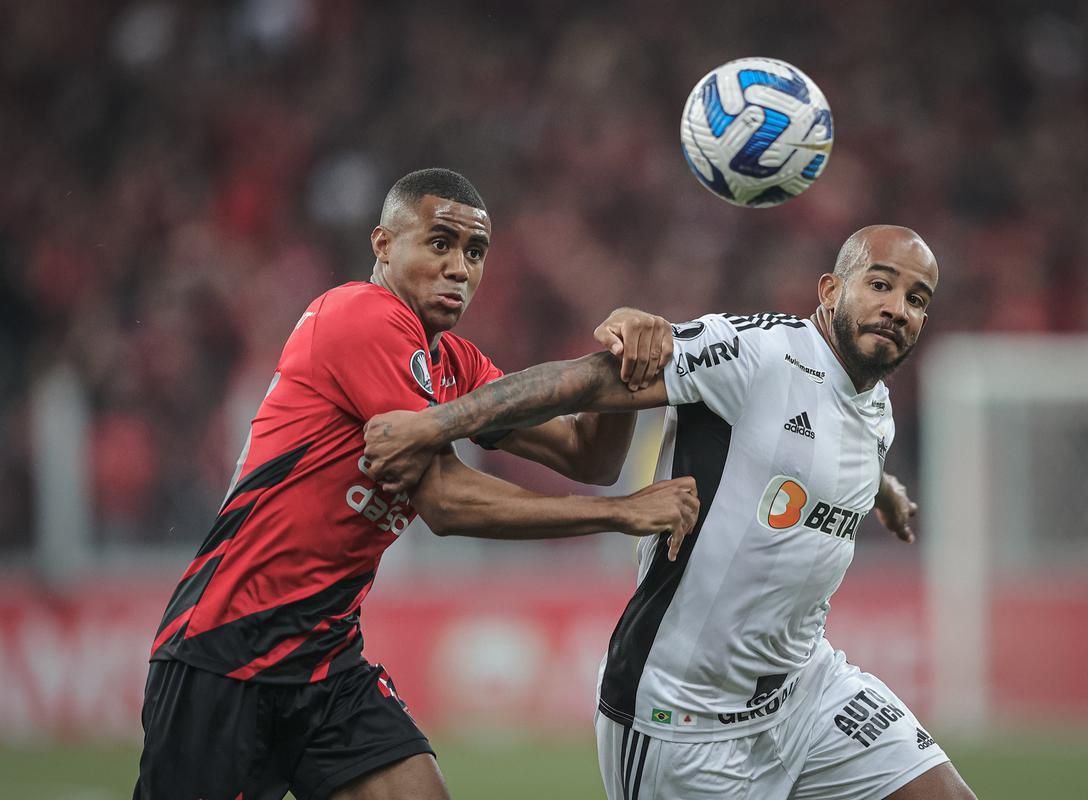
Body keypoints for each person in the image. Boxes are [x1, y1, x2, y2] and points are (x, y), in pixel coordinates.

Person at [134, 168, 701, 800]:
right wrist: (620, 513)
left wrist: (620, 366)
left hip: (326, 654)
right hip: (227, 647)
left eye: (475, 252)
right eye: (440, 243)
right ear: (382, 244)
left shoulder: (453, 363)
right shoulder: (359, 315)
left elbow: (586, 456)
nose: (460, 267)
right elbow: (445, 501)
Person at [363, 225, 976, 800]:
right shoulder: (755, 354)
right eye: (881, 284)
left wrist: (882, 492)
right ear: (831, 289)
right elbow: (583, 383)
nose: (898, 307)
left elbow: (823, 448)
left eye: (917, 299)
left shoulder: (877, 405)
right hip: (680, 719)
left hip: (806, 689)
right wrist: (434, 425)